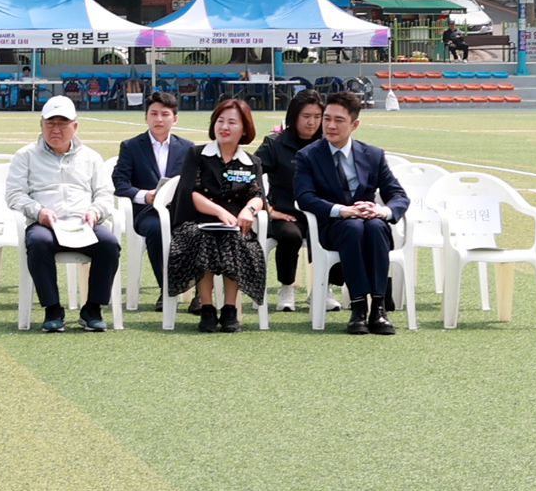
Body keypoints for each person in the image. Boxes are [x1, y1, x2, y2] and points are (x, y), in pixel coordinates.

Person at [291, 90, 407, 336]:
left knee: (375, 227)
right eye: (327, 119)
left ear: (354, 124)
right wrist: (342, 211)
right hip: (333, 227)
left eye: (339, 120)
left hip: (370, 224)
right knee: (353, 227)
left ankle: (378, 307)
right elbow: (305, 197)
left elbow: (398, 196)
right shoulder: (308, 156)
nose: (330, 125)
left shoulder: (373, 155)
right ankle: (357, 308)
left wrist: (381, 211)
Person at [3, 95, 119, 332]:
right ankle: (53, 308)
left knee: (109, 243)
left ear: (74, 126)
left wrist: (94, 212)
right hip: (45, 224)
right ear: (41, 125)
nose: (56, 129)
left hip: (83, 223)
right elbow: (14, 194)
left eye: (62, 123)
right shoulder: (25, 156)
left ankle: (93, 308)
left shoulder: (91, 157)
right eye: (50, 123)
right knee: (37, 241)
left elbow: (105, 194)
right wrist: (39, 211)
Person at [167, 98, 268, 332]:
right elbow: (190, 192)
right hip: (197, 223)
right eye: (220, 121)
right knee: (205, 240)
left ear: (244, 128)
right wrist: (221, 212)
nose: (224, 127)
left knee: (236, 238)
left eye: (232, 122)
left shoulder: (251, 162)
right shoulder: (197, 154)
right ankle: (207, 308)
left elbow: (258, 196)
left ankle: (230, 309)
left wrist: (248, 210)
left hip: (235, 226)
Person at [111, 89, 193, 300]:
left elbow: (197, 182)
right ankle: (167, 290)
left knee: (198, 231)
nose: (159, 119)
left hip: (179, 211)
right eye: (154, 113)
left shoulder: (188, 148)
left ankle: (200, 295)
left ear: (175, 119)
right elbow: (120, 183)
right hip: (147, 212)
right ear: (146, 117)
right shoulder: (130, 146)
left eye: (165, 114)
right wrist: (144, 195)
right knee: (157, 230)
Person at [253, 90, 324, 310]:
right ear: (293, 116)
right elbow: (251, 177)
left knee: (338, 230)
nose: (312, 122)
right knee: (290, 236)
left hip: (321, 211)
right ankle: (287, 288)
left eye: (317, 116)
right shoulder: (275, 144)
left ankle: (324, 287)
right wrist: (268, 208)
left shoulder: (327, 143)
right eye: (306, 116)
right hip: (285, 213)